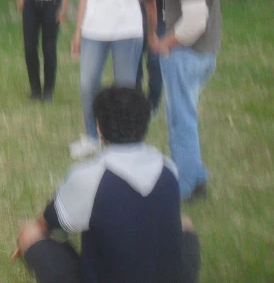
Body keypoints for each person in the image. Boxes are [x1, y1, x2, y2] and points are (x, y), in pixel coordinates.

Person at [12, 86, 201, 283]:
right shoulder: (168, 167)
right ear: (146, 123)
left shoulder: (89, 175)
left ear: (99, 126)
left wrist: (36, 242)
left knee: (30, 232)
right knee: (184, 221)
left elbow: (49, 223)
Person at [138, 0, 221, 201]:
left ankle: (185, 186)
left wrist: (166, 43)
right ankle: (196, 174)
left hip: (187, 54)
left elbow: (196, 21)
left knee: (180, 119)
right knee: (185, 114)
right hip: (205, 52)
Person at [70, 0, 149, 158]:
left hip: (126, 30)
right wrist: (78, 30)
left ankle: (124, 141)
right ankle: (92, 136)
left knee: (125, 87)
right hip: (94, 28)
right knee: (87, 83)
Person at [136, 0, 165, 113]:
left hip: (158, 20)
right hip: (133, 20)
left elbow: (156, 7)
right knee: (133, 62)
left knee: (155, 61)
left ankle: (153, 101)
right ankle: (137, 99)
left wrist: (152, 32)